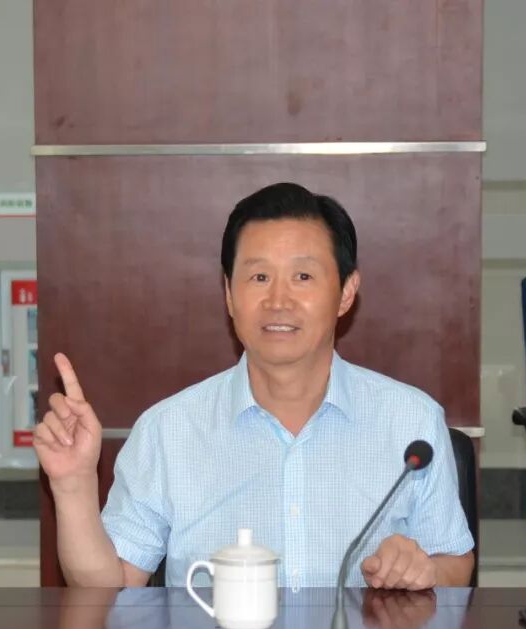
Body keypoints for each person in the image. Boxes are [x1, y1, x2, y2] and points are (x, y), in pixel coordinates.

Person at [34, 182, 475, 589]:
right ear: (229, 293)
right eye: (259, 277)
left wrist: (425, 570)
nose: (278, 301)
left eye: (303, 277)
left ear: (346, 292)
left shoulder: (410, 421)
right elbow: (109, 592)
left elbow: (455, 562)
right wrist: (73, 486)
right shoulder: (168, 430)